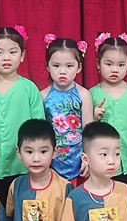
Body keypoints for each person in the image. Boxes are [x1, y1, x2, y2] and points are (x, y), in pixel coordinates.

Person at [0, 26, 45, 203]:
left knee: (22, 209)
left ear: (22, 55)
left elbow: (38, 128)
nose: (6, 57)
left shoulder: (29, 88)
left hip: (22, 166)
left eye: (13, 52)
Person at [90, 33, 127, 200]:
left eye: (121, 65)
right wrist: (94, 117)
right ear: (98, 64)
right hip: (102, 164)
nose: (115, 69)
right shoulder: (92, 94)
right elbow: (86, 130)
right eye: (109, 64)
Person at [41, 36, 95, 181]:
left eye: (69, 66)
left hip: (78, 163)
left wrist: (88, 159)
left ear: (79, 67)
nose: (62, 71)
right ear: (48, 66)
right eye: (56, 66)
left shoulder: (84, 95)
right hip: (50, 163)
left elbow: (88, 132)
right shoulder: (43, 96)